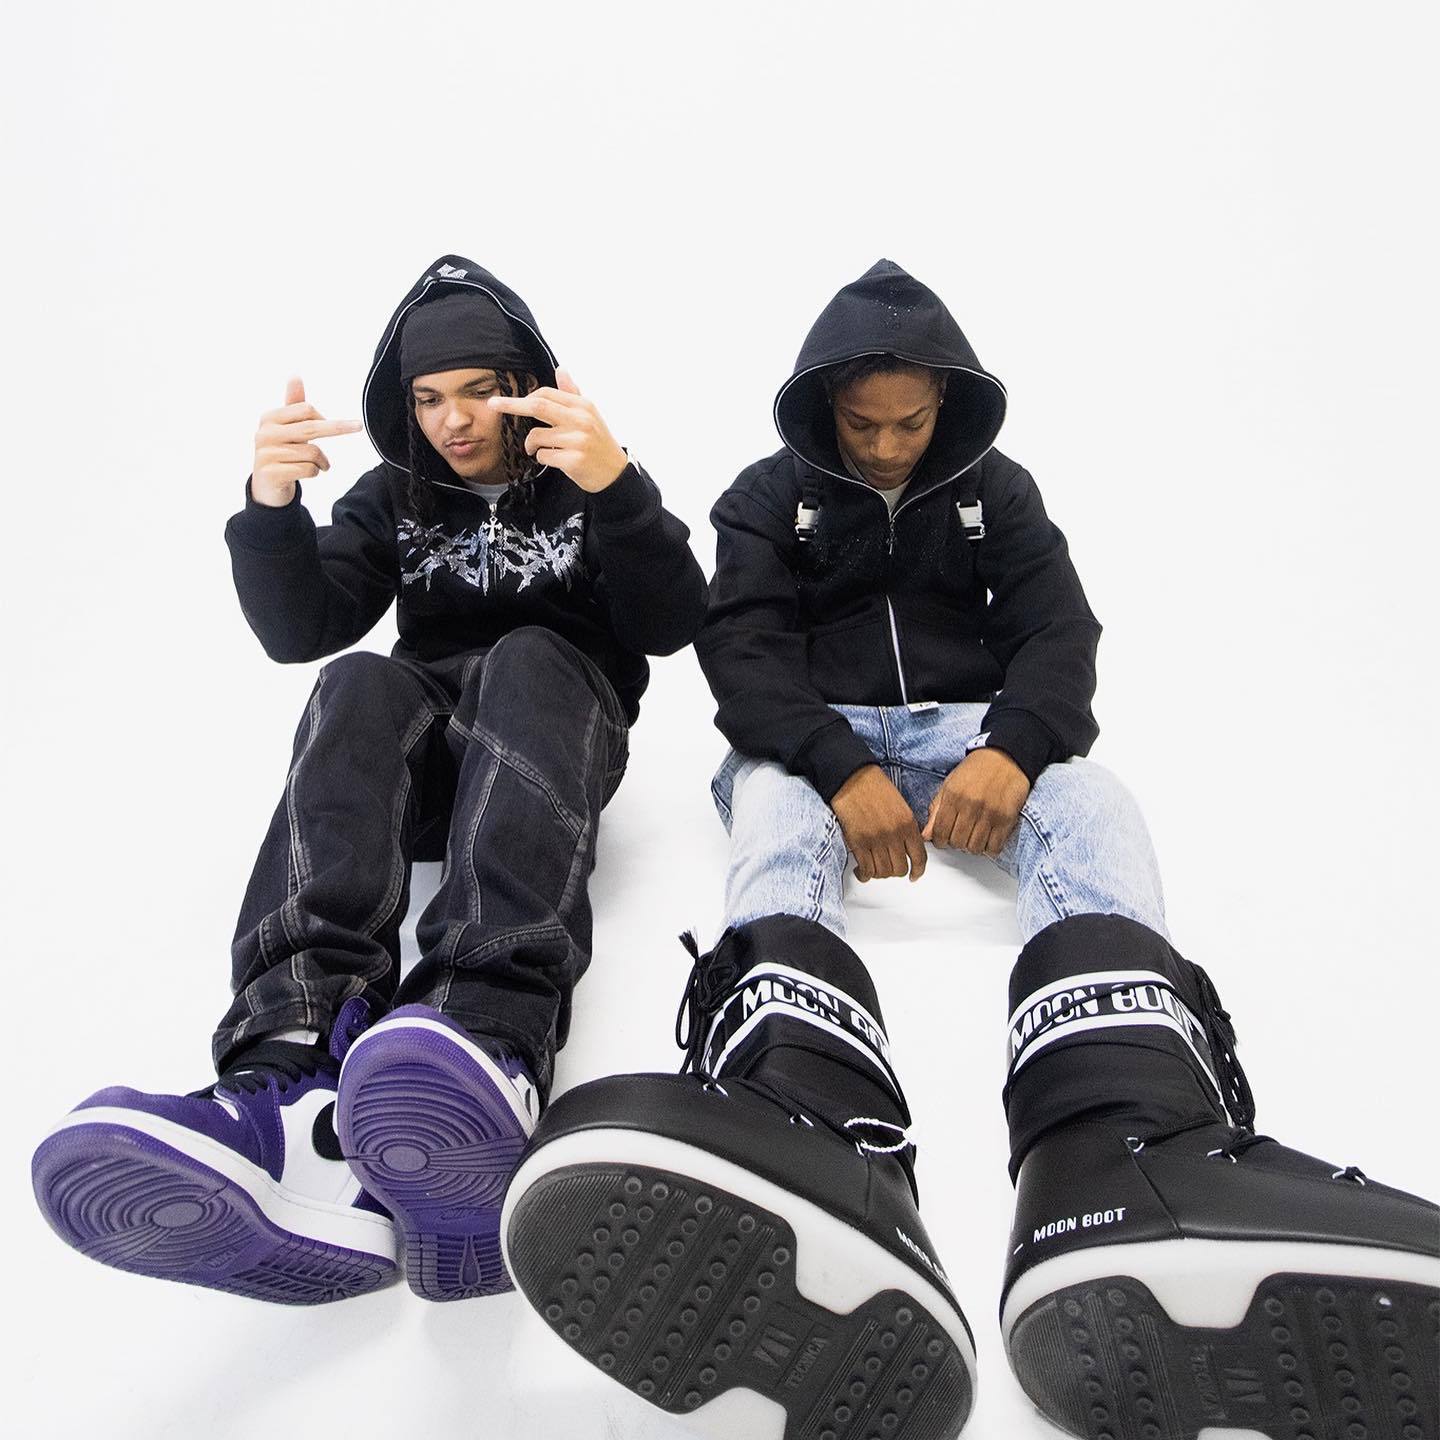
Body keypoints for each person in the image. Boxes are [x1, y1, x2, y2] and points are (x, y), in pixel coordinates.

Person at [499, 261, 1439, 1438]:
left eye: (912, 422)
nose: (889, 447)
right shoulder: (763, 499)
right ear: (824, 406)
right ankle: (793, 1108)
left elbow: (1059, 628)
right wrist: (839, 766)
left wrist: (1014, 748)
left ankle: (1129, 1140)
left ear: (947, 402)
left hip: (967, 726)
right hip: (815, 731)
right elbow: (740, 649)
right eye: (864, 424)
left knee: (1091, 800)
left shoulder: (999, 491)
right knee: (778, 814)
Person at [31, 254, 708, 1307]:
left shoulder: (588, 479)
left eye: (478, 391)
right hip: (429, 768)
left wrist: (617, 487)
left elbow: (670, 623)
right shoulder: (398, 495)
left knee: (530, 653)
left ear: (527, 385)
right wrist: (271, 508)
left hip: (551, 737)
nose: (453, 421)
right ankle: (292, 1079)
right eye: (428, 399)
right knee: (359, 677)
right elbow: (300, 628)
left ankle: (484, 1047)